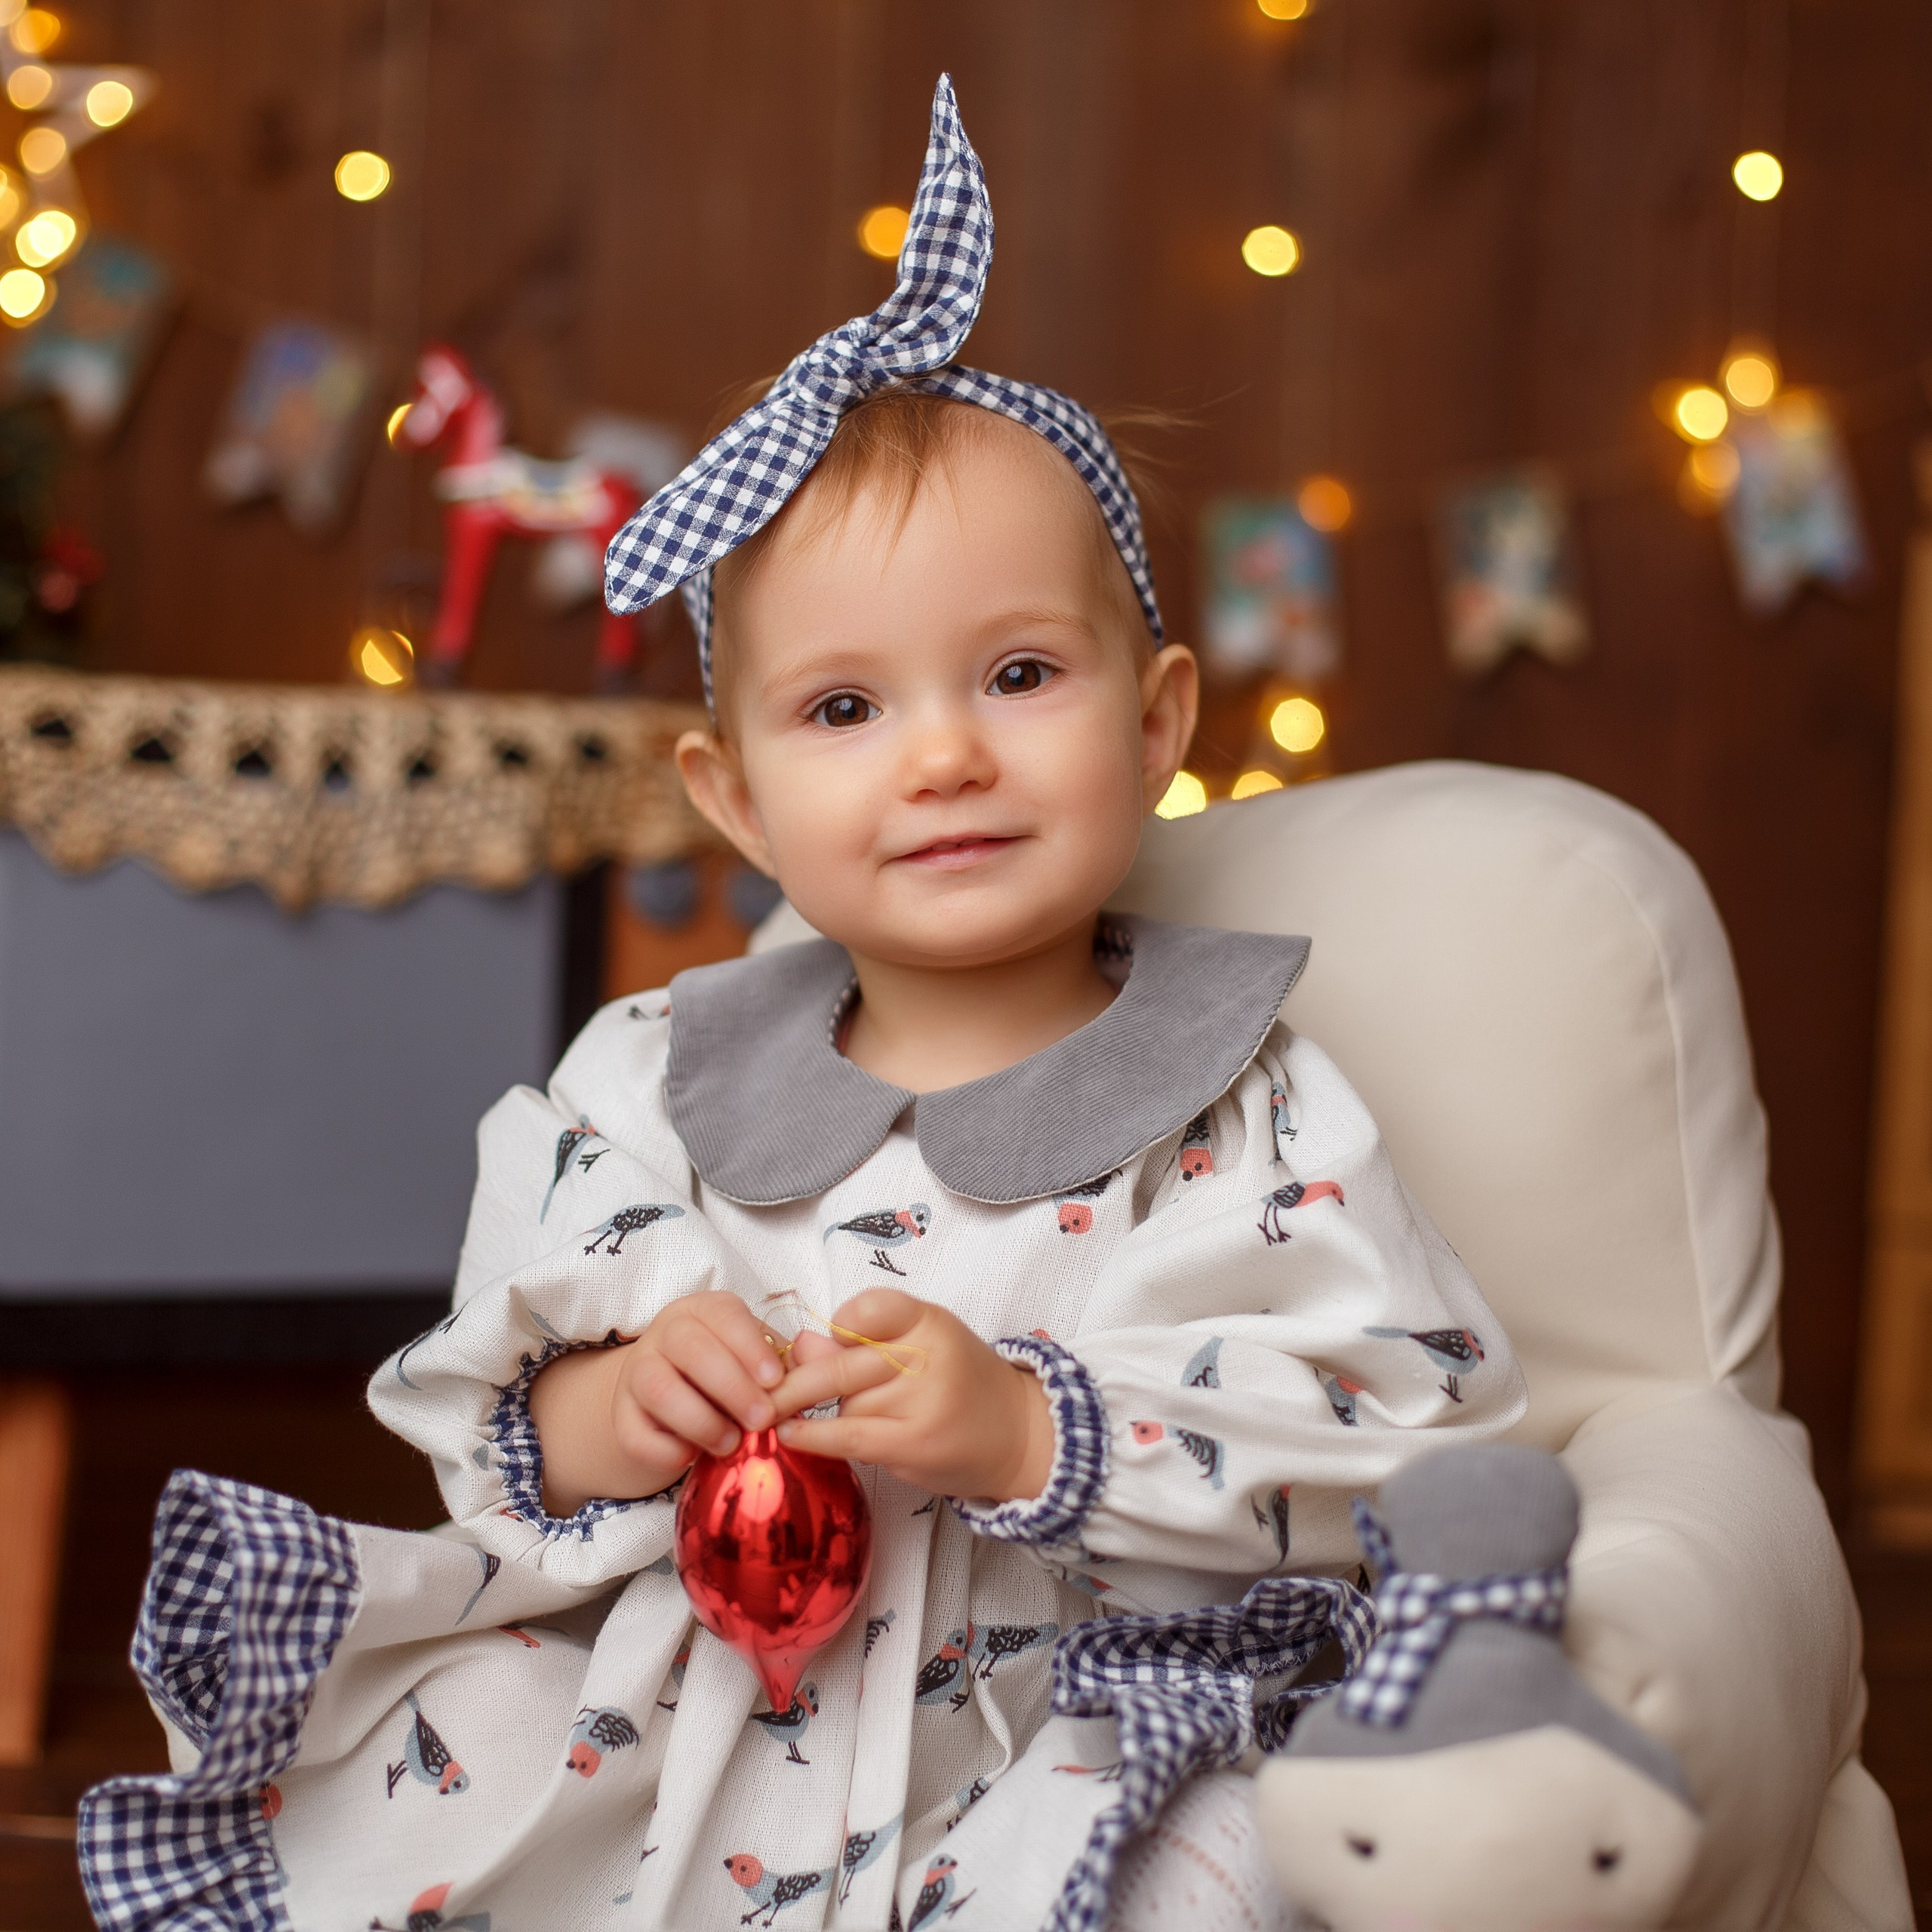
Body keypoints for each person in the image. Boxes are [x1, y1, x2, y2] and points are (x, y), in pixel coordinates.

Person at [80, 78, 1525, 1932]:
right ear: (736, 795)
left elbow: (1403, 1426)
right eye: (844, 707)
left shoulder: (1241, 1097)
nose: (939, 754)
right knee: (458, 1753)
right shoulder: (656, 1078)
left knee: (1194, 1869)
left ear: (1157, 723)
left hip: (1061, 1719)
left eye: (1015, 672)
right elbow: (496, 1427)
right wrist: (619, 1400)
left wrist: (1030, 1431)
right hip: (695, 1707)